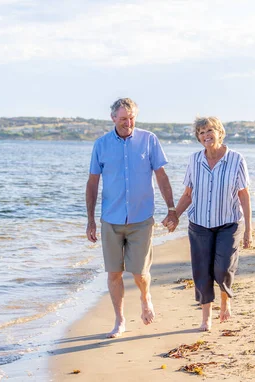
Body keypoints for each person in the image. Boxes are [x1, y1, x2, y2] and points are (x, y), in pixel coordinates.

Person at [85, 98, 178, 338]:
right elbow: (93, 183)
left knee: (140, 272)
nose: (129, 123)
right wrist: (91, 220)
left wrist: (171, 208)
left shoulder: (149, 140)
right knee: (114, 273)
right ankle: (120, 320)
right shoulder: (101, 145)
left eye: (132, 118)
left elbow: (161, 176)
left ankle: (145, 297)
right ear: (113, 118)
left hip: (141, 218)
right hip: (111, 219)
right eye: (124, 118)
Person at [167, 116, 252, 332]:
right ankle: (206, 318)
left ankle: (225, 300)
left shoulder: (236, 159)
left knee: (222, 268)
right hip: (199, 224)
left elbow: (244, 195)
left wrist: (248, 230)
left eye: (210, 130)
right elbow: (188, 194)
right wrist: (175, 215)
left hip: (229, 223)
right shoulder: (195, 160)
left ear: (219, 132)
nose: (206, 135)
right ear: (198, 137)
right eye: (202, 132)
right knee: (202, 271)